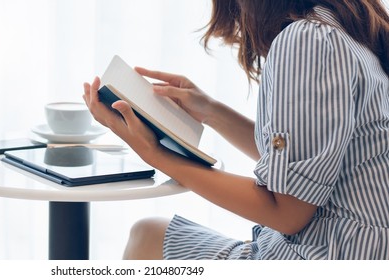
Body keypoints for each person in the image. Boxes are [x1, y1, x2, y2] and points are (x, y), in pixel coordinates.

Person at [83, 0, 389, 260]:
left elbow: (287, 212)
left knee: (147, 237)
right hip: (357, 247)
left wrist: (155, 154)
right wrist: (211, 111)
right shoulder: (349, 23)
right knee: (150, 232)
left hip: (330, 252)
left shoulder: (308, 39)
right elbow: (310, 161)